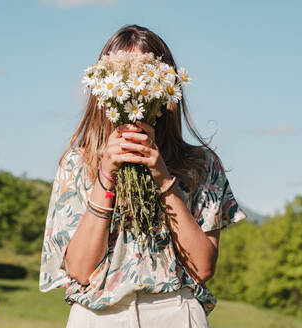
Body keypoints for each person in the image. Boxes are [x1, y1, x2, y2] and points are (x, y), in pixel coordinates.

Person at [39, 24, 248, 328]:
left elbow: (202, 268)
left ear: (165, 87)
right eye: (122, 74)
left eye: (146, 74)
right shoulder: (77, 163)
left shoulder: (200, 164)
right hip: (98, 317)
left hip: (176, 311)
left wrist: (164, 181)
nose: (136, 84)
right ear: (102, 87)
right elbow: (80, 271)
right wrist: (106, 176)